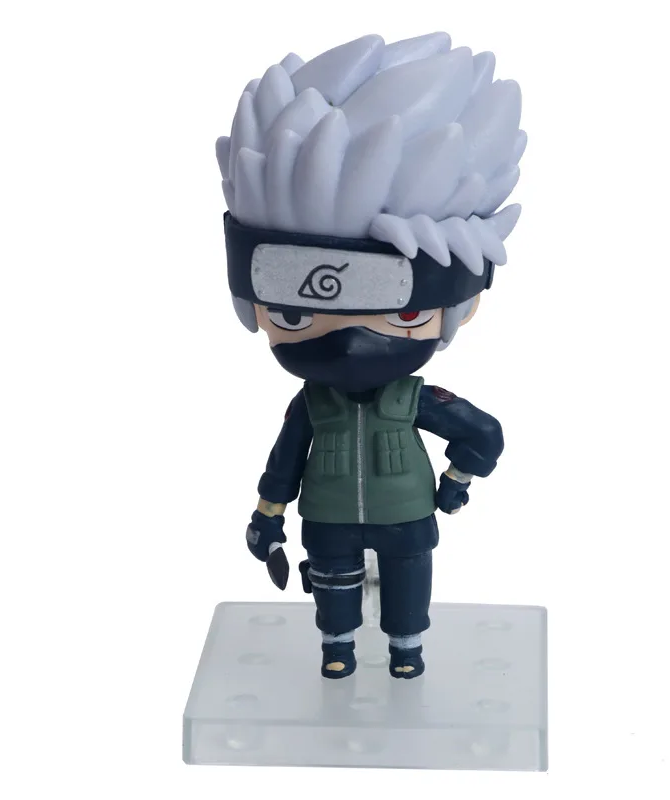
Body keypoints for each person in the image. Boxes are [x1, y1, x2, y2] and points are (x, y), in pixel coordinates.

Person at [216, 32, 526, 678]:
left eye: (400, 311)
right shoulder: (312, 406)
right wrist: (268, 514)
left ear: (461, 303)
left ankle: (406, 648)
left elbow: (483, 432)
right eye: (295, 313)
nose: (350, 342)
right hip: (329, 516)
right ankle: (337, 648)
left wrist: (457, 480)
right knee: (333, 584)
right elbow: (283, 461)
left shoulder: (413, 399)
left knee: (409, 585)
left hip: (405, 515)